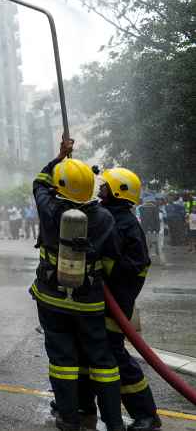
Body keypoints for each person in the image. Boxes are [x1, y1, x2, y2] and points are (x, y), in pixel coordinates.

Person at [31, 138, 123, 431]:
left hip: (52, 297)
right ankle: (114, 420)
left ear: (60, 188)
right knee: (101, 360)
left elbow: (39, 182)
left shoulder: (50, 210)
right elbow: (112, 259)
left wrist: (59, 157)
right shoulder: (106, 218)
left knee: (62, 359)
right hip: (90, 300)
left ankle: (69, 418)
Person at [75, 168, 160, 431]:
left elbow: (131, 267)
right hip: (102, 299)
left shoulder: (123, 222)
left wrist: (100, 262)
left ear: (118, 192)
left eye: (104, 188)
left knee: (113, 355)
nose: (100, 192)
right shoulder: (112, 216)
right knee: (88, 350)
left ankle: (146, 414)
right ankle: (81, 404)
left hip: (115, 303)